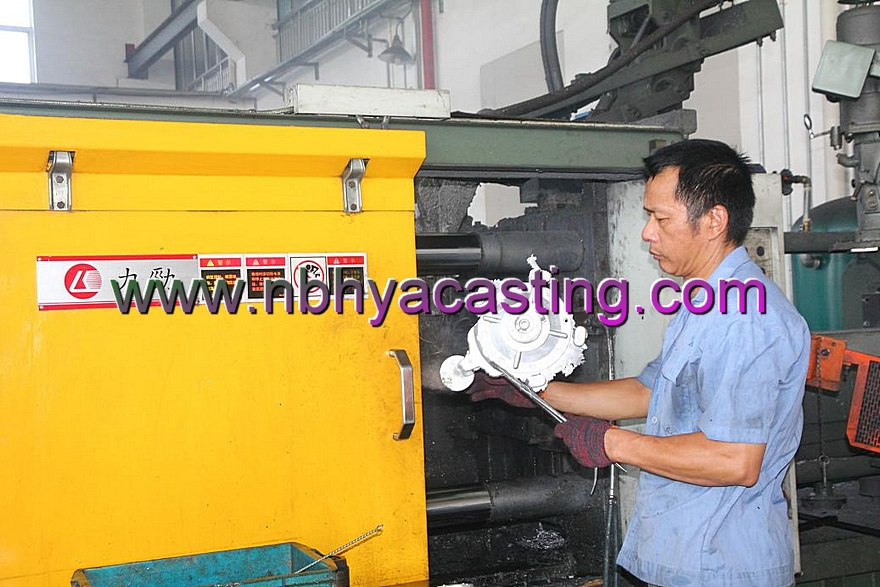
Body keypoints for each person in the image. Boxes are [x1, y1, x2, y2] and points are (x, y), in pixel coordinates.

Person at [469, 139, 810, 586]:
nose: (648, 232)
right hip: (690, 559)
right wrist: (535, 390)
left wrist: (612, 443)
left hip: (723, 566)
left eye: (660, 218)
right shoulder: (707, 301)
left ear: (713, 221)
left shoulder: (744, 318)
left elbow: (734, 460)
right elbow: (649, 392)